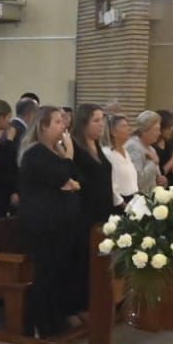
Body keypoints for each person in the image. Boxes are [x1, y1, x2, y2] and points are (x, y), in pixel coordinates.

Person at [17, 107, 83, 338]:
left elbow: (72, 180)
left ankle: (55, 319)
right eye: (56, 121)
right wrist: (70, 155)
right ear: (42, 126)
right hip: (42, 224)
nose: (63, 126)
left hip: (57, 222)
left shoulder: (52, 152)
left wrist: (68, 180)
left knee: (58, 272)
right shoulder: (35, 153)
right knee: (45, 273)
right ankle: (40, 325)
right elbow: (63, 176)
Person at [68, 104, 112, 317]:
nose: (101, 124)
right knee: (82, 260)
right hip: (83, 213)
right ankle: (77, 306)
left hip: (102, 212)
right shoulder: (75, 148)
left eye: (102, 119)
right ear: (83, 123)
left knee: (99, 260)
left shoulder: (98, 147)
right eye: (96, 120)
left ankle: (95, 302)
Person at [126, 111, 164, 193]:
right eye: (156, 129)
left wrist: (161, 180)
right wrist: (153, 163)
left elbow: (154, 178)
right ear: (145, 130)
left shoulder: (151, 149)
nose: (159, 133)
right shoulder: (133, 147)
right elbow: (138, 181)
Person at [104, 114, 138, 206]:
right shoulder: (108, 153)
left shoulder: (125, 151)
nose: (129, 129)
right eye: (124, 126)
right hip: (121, 203)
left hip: (133, 198)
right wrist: (122, 204)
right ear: (113, 132)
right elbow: (110, 184)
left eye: (128, 125)